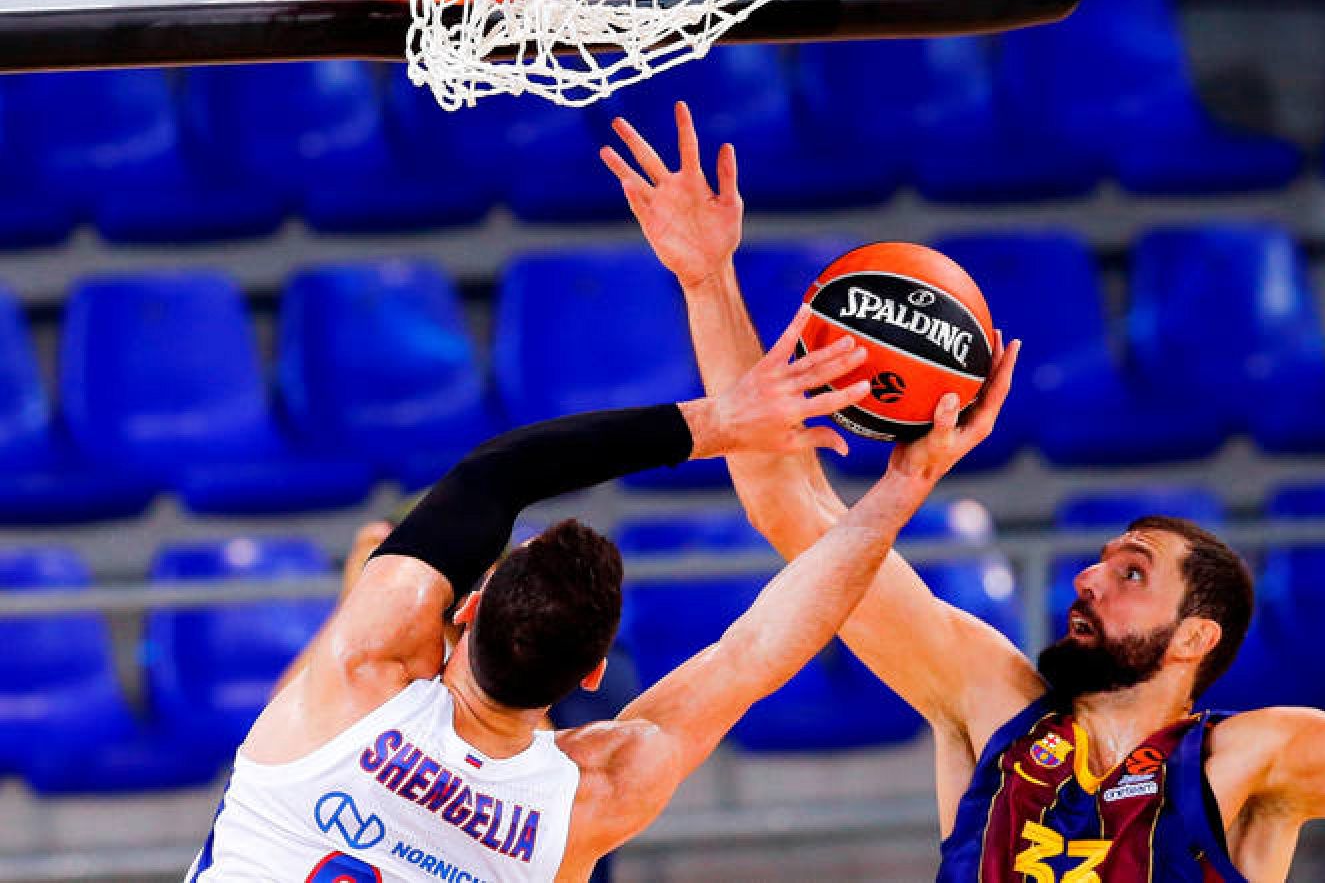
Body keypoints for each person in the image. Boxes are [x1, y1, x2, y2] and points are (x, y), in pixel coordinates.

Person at [602, 101, 1325, 882]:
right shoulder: (989, 701)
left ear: (1195, 637)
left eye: (1132, 574)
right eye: (1103, 563)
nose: (1090, 580)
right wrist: (706, 277)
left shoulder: (1247, 763)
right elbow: (791, 509)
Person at [187, 306, 1018, 882]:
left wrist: (716, 422)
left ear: (466, 609)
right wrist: (904, 484)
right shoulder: (591, 799)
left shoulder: (364, 669)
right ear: (593, 677)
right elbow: (756, 652)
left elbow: (495, 474)